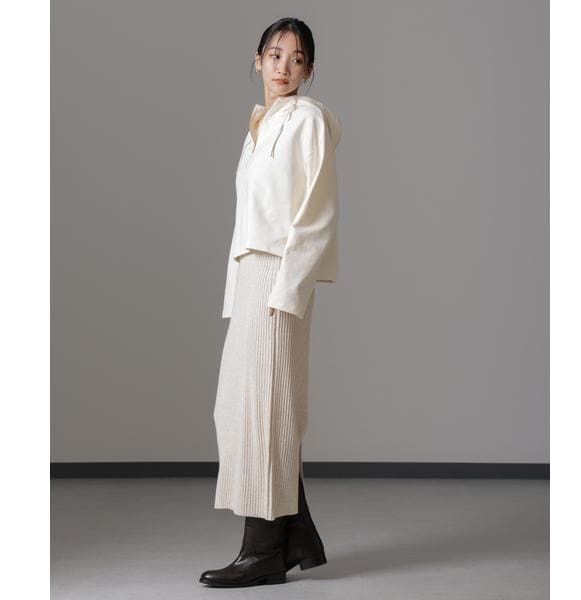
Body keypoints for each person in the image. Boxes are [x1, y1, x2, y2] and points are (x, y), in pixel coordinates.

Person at [199, 17, 342, 588]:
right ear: (256, 59)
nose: (284, 66)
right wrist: (237, 291)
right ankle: (296, 536)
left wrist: (288, 288)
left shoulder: (307, 120)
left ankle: (261, 550)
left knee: (268, 408)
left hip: (279, 274)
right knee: (242, 407)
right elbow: (249, 220)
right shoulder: (258, 126)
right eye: (276, 54)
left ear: (309, 70)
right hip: (250, 275)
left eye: (297, 58)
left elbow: (317, 211)